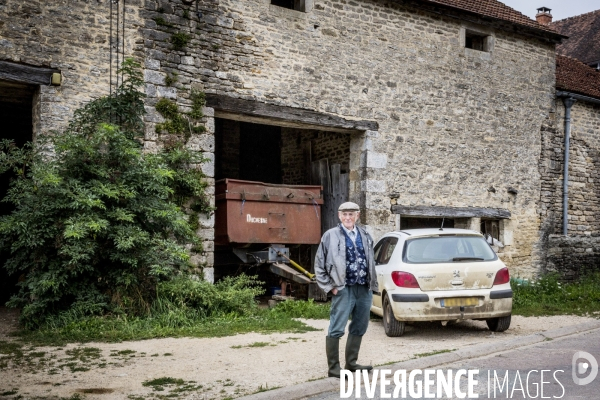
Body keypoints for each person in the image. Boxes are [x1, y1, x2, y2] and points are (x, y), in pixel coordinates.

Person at [314, 201, 379, 378]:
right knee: (337, 327)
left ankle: (351, 364)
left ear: (357, 215)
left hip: (363, 288)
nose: (348, 217)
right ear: (339, 216)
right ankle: (334, 368)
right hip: (342, 289)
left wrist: (372, 285)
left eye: (352, 214)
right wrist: (330, 287)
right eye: (345, 214)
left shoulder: (365, 234)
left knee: (360, 326)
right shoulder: (330, 235)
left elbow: (371, 262)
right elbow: (319, 264)